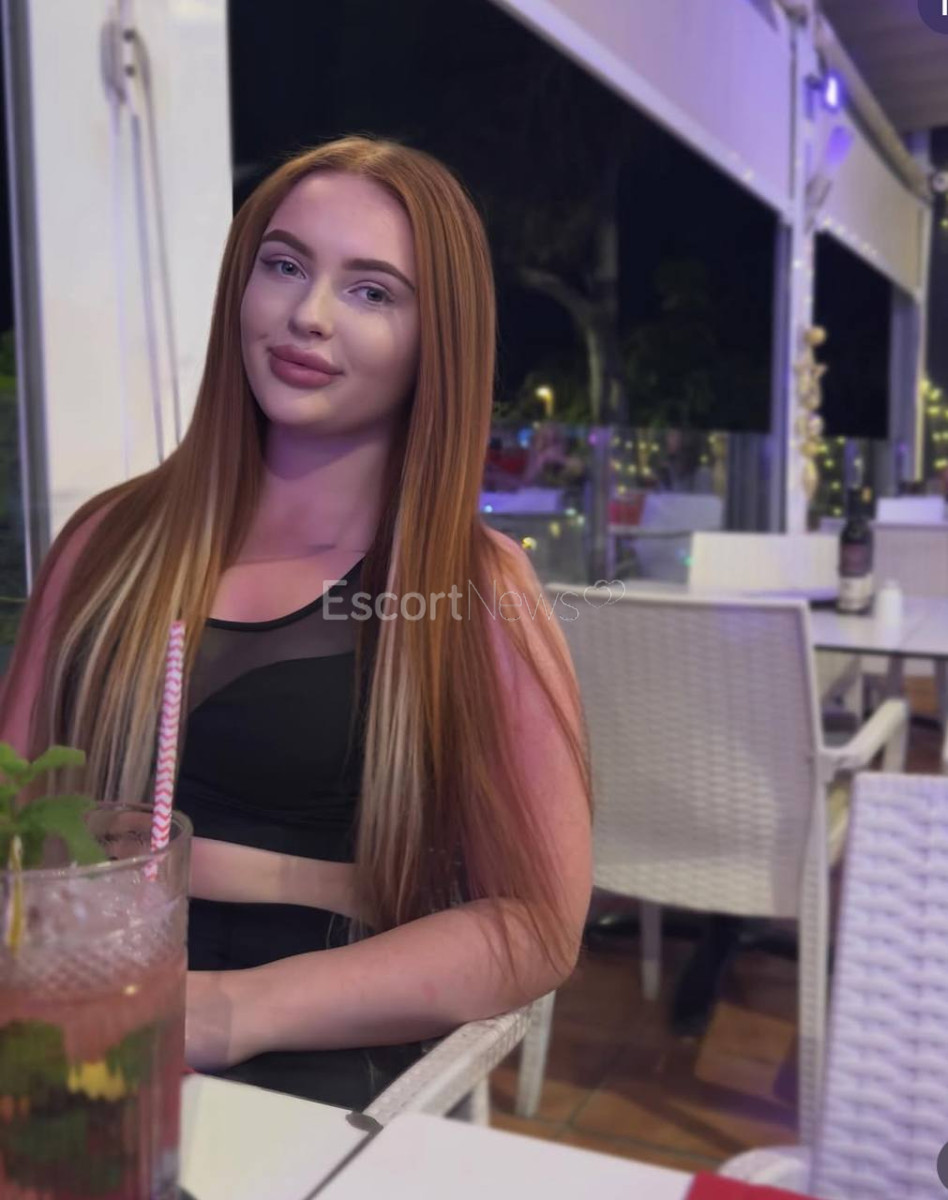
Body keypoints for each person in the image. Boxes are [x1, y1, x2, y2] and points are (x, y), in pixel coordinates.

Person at [0, 136, 593, 1110]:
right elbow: (13, 813)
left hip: (316, 1054)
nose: (308, 314)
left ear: (436, 339)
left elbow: (536, 924)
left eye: (371, 291)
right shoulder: (108, 541)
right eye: (283, 266)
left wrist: (224, 1010)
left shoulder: (472, 591)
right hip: (76, 1015)